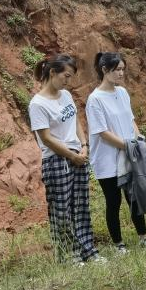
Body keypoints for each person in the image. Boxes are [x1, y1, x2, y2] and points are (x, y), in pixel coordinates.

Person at [29, 55, 104, 266]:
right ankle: (68, 256)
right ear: (52, 73)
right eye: (66, 76)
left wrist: (84, 144)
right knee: (61, 210)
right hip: (57, 160)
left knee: (81, 206)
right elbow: (46, 138)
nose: (67, 81)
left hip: (77, 155)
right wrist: (72, 155)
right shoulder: (37, 104)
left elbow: (76, 121)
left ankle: (87, 251)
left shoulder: (66, 95)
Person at [86, 52, 146, 253]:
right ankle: (118, 244)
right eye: (117, 70)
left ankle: (144, 236)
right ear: (104, 70)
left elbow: (130, 119)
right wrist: (128, 146)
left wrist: (138, 139)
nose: (121, 74)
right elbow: (102, 133)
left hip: (128, 152)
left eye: (123, 69)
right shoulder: (95, 99)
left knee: (134, 196)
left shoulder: (122, 93)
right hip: (108, 158)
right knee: (113, 201)